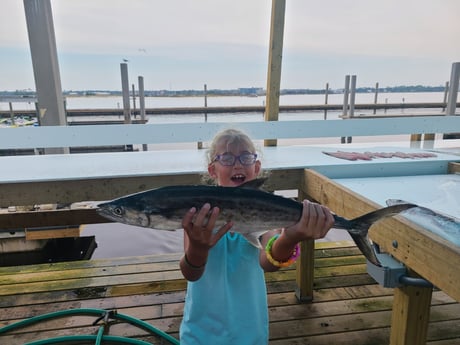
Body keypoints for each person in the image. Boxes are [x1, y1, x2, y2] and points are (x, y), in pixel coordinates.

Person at [179, 128, 334, 344]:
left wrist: (289, 238)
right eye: (227, 158)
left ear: (257, 168)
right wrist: (198, 248)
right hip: (201, 333)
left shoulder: (261, 214)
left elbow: (269, 260)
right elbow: (190, 273)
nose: (238, 164)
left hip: (248, 332)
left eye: (245, 157)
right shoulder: (200, 215)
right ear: (212, 170)